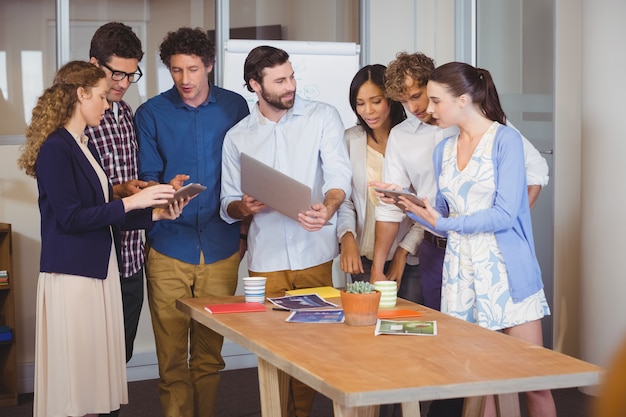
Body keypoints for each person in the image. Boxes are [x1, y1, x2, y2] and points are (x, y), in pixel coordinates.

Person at [370, 52, 550, 417]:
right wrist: (407, 203)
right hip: (460, 270)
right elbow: (440, 212)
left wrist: (457, 222)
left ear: (462, 99)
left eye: (431, 99)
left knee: (534, 381)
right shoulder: (443, 150)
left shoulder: (504, 139)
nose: (425, 109)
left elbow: (504, 211)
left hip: (506, 270)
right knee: (479, 386)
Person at [17, 60, 185, 417]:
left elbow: (104, 211)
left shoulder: (82, 144)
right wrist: (132, 201)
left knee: (94, 371)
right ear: (81, 94)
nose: (108, 106)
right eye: (102, 97)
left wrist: (156, 212)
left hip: (98, 269)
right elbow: (72, 218)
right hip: (73, 275)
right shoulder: (56, 148)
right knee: (74, 378)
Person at [220, 45, 352, 417]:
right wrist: (243, 207)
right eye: (280, 80)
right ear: (254, 85)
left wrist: (328, 206)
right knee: (273, 350)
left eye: (291, 76)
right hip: (267, 260)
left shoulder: (322, 117)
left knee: (314, 347)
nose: (290, 85)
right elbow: (227, 202)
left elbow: (340, 176)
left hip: (314, 252)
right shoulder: (238, 137)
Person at [135, 27, 249, 417]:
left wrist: (246, 233)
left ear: (210, 66)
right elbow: (146, 177)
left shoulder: (236, 108)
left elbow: (245, 173)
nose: (185, 79)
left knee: (209, 358)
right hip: (168, 247)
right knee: (170, 363)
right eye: (176, 70)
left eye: (193, 69)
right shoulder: (151, 113)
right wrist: (165, 189)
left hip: (221, 247)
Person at [85, 21, 147, 365]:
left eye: (131, 75)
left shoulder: (125, 114)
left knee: (119, 358)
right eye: (117, 74)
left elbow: (129, 178)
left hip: (131, 255)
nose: (124, 84)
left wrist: (147, 191)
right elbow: (70, 198)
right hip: (96, 259)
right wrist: (117, 193)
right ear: (94, 65)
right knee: (92, 363)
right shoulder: (72, 116)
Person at [337, 64, 424, 304]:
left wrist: (402, 252)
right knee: (366, 330)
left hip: (411, 258)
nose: (368, 111)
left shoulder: (415, 139)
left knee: (410, 329)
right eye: (360, 103)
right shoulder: (349, 140)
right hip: (362, 258)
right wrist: (347, 237)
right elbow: (345, 200)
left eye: (376, 101)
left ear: (392, 99)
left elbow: (427, 202)